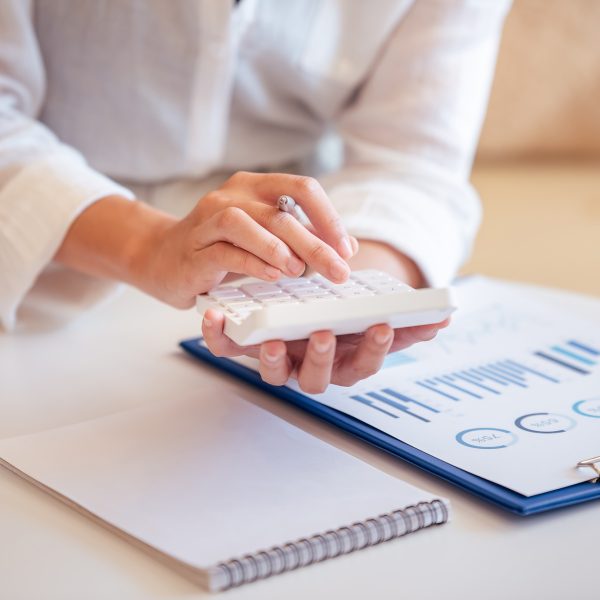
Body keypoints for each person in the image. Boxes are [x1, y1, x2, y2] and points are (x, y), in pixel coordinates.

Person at [0, 0, 511, 392]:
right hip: (39, 275)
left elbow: (411, 163)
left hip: (276, 286)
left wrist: (344, 301)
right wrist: (150, 246)